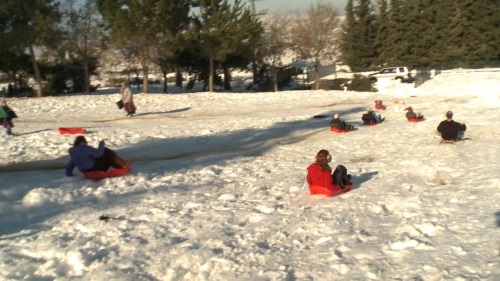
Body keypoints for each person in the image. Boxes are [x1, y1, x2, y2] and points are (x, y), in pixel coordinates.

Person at [66, 136, 132, 176]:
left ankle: (119, 166)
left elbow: (69, 167)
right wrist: (101, 144)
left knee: (104, 156)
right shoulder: (84, 148)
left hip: (87, 171)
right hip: (95, 167)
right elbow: (99, 154)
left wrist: (69, 174)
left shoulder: (73, 155)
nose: (86, 143)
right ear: (82, 142)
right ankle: (122, 165)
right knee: (106, 151)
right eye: (85, 141)